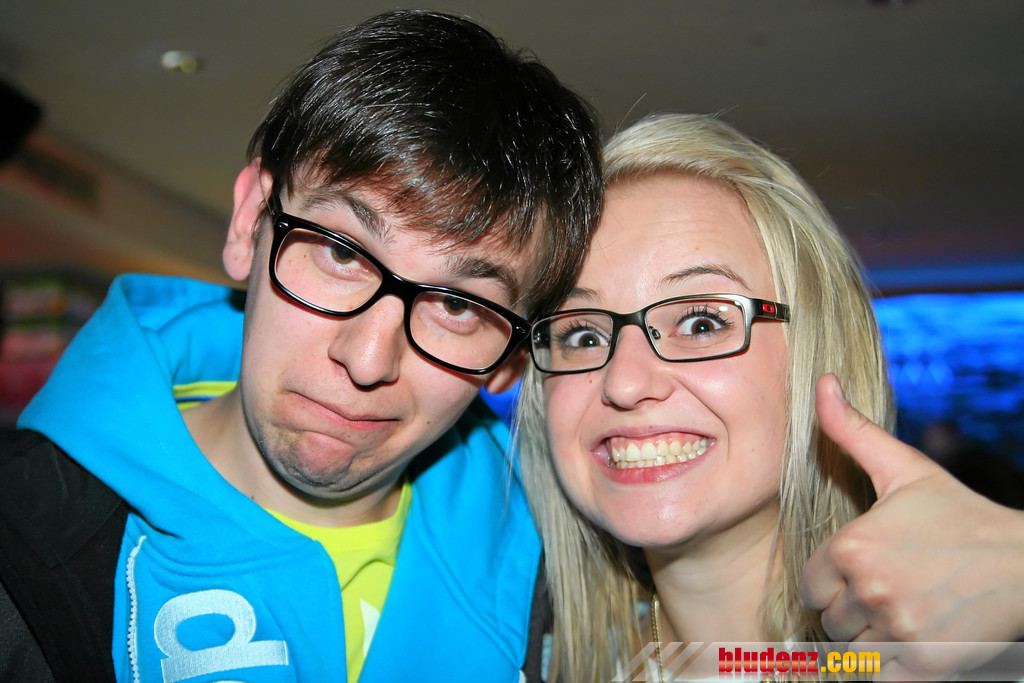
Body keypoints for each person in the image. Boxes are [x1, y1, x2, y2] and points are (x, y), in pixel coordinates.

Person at [0, 9, 601, 682]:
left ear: (511, 360)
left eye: (457, 306)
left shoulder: (578, 589)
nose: (367, 360)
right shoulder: (20, 542)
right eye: (342, 252)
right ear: (250, 222)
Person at [516, 111, 894, 681]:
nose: (625, 383)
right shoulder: (523, 663)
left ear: (818, 352)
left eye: (700, 322)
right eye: (584, 335)